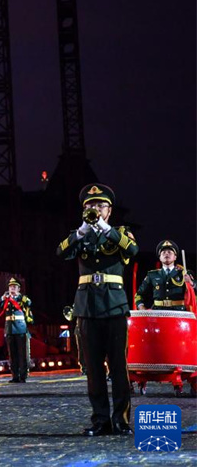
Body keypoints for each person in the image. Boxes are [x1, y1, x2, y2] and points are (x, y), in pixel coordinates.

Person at [56, 183, 138, 437]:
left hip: (114, 306)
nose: (94, 209)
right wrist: (80, 233)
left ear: (109, 210)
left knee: (118, 367)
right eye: (90, 206)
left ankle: (121, 420)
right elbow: (60, 252)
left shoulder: (120, 232)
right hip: (87, 306)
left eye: (99, 205)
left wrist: (106, 229)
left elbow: (132, 250)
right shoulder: (79, 235)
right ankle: (100, 420)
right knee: (93, 369)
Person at [135, 240, 195, 311]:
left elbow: (194, 292)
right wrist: (141, 307)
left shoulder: (184, 273)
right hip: (158, 312)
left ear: (175, 257)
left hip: (179, 313)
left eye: (169, 252)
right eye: (163, 252)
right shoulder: (152, 274)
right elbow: (139, 295)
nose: (166, 254)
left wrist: (191, 282)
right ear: (160, 257)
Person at [0, 279, 32, 383]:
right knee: (12, 354)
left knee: (22, 354)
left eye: (15, 286)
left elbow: (29, 302)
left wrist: (19, 296)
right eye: (10, 287)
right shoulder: (6, 299)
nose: (12, 288)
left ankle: (23, 376)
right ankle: (15, 376)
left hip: (20, 329)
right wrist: (2, 297)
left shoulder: (21, 299)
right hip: (10, 329)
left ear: (19, 289)